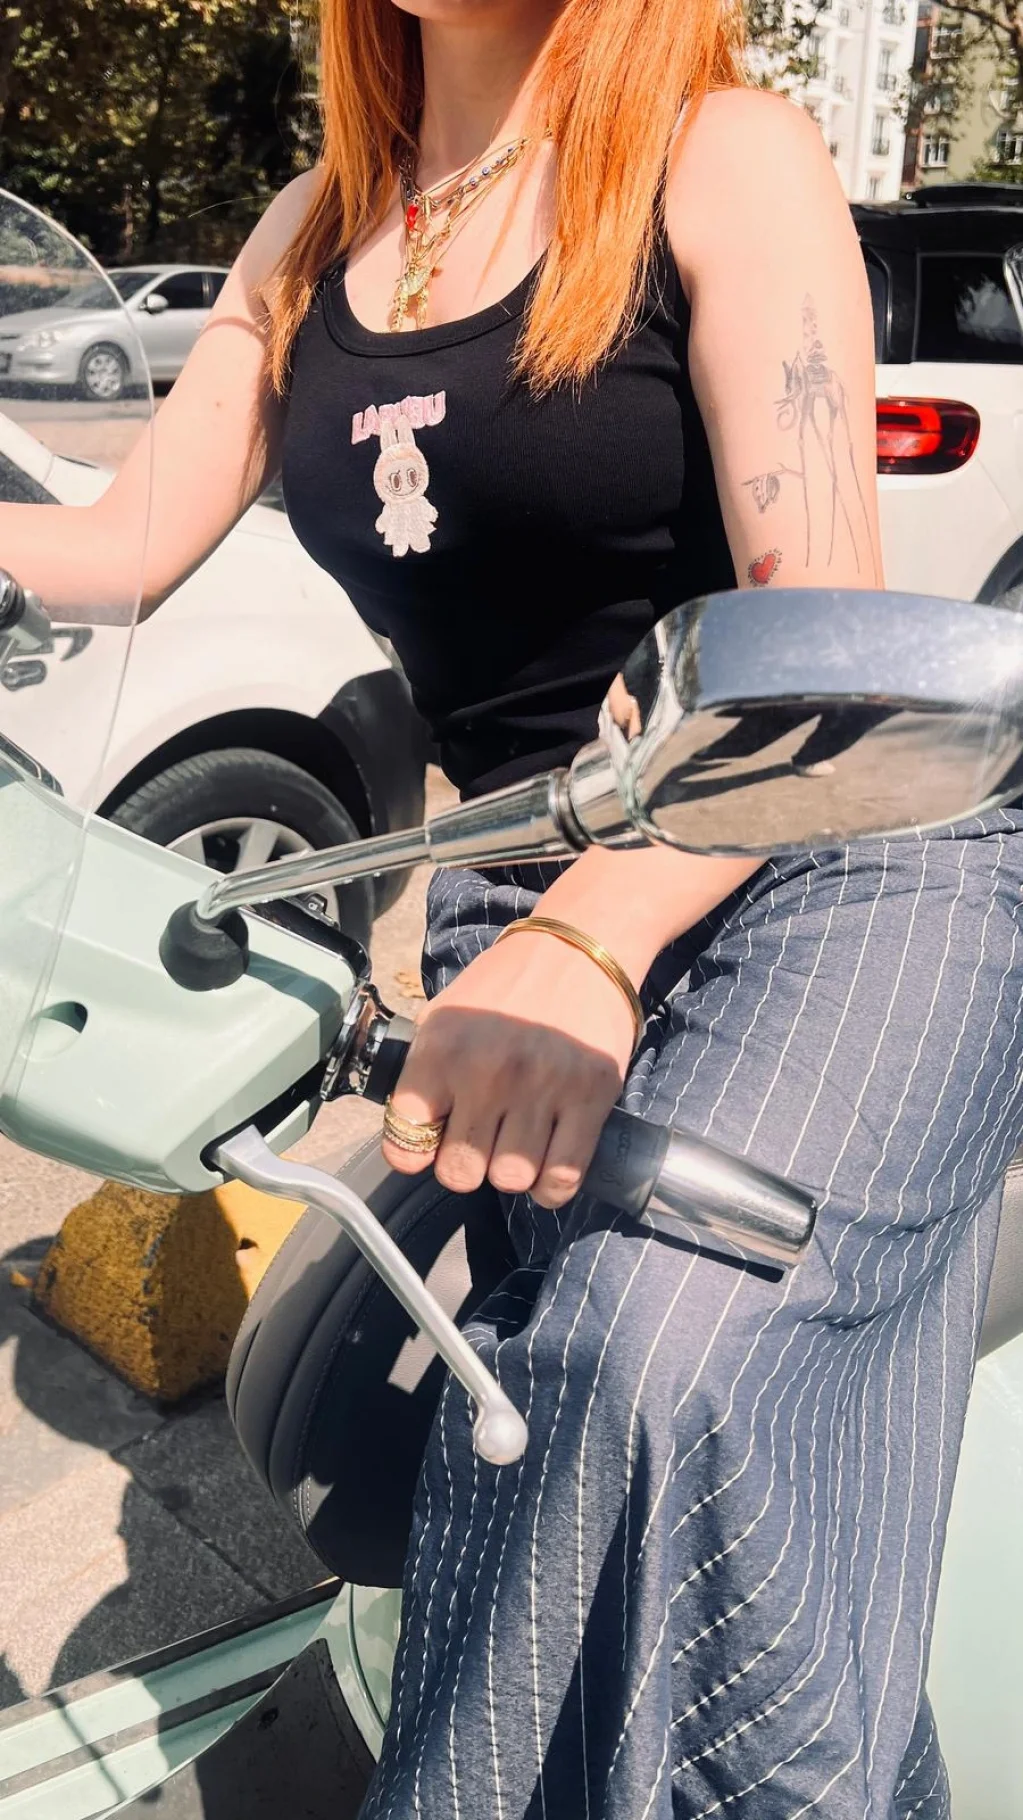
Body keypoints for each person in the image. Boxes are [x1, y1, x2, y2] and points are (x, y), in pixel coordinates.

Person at [3, 2, 1022, 1814]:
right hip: (520, 909)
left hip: (821, 856)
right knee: (537, 1425)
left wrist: (590, 933)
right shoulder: (316, 225)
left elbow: (818, 649)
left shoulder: (720, 151)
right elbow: (118, 539)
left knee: (648, 1367)